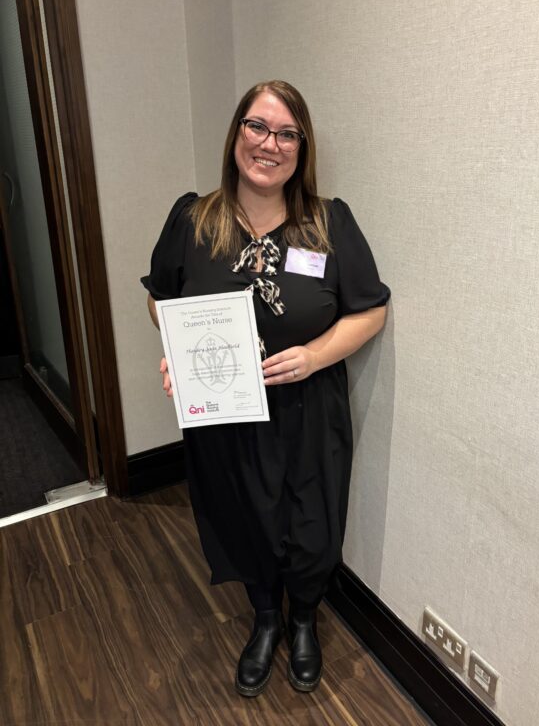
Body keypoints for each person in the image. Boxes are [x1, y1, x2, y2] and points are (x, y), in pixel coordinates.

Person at [141, 80, 390, 697]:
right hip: (225, 410)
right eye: (257, 126)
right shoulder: (193, 220)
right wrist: (179, 347)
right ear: (236, 135)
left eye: (286, 134)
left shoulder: (329, 224)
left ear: (301, 149)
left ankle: (303, 618)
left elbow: (370, 311)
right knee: (242, 515)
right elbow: (160, 300)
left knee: (311, 523)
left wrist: (315, 356)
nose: (269, 144)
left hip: (308, 408)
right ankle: (265, 618)